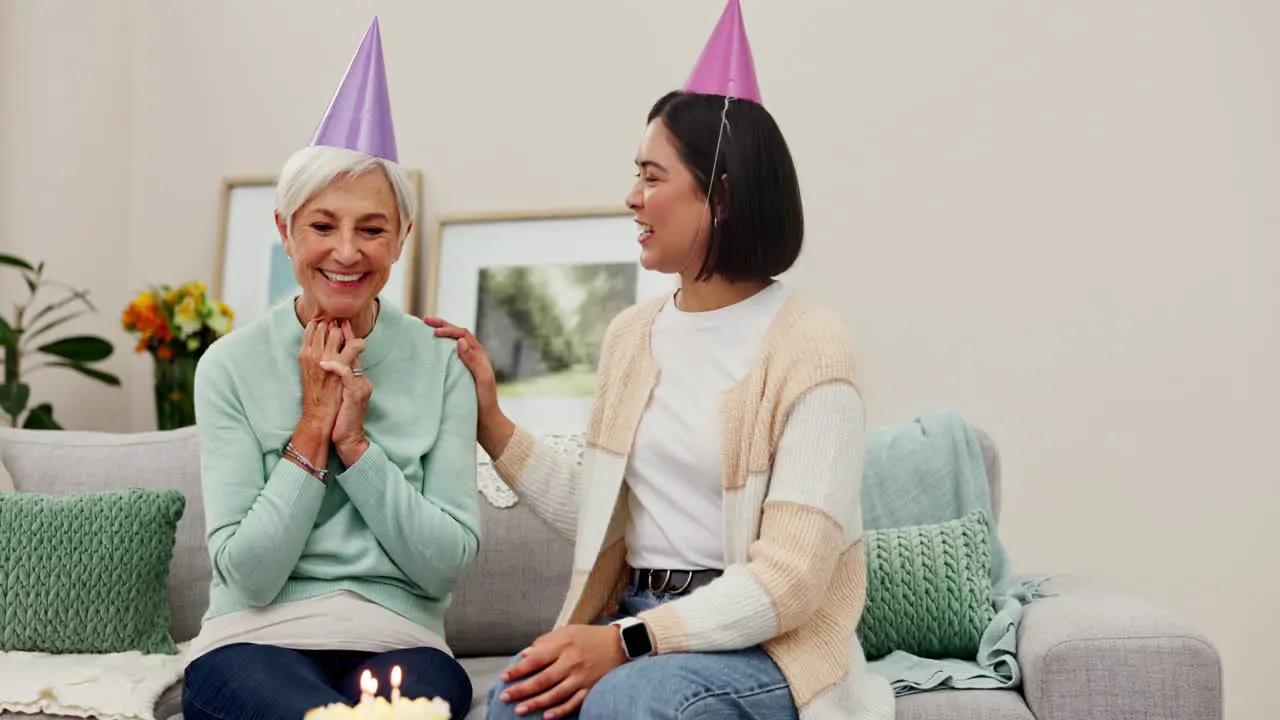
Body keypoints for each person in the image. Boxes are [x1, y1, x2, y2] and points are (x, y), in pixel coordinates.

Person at [426, 2, 895, 719]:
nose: (631, 196)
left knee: (634, 705)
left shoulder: (811, 346)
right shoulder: (632, 335)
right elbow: (604, 502)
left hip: (767, 644)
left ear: (723, 194)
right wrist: (490, 420)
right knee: (515, 703)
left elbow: (792, 580)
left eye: (651, 176)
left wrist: (627, 644)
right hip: (640, 616)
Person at [182, 19, 480, 720]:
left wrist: (358, 445)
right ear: (285, 231)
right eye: (322, 226)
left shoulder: (442, 365)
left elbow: (443, 565)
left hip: (400, 639)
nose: (346, 251)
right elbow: (249, 575)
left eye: (371, 228)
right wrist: (314, 427)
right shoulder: (227, 366)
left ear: (401, 238)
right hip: (252, 639)